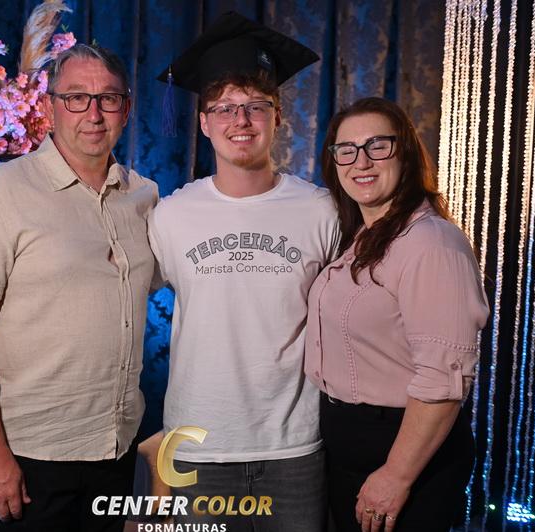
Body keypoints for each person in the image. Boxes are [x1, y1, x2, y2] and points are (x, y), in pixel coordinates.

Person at [0, 43, 158, 532]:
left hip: (115, 444)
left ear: (126, 108)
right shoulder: (3, 191)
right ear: (49, 106)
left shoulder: (143, 196)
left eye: (108, 98)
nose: (94, 114)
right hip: (32, 454)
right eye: (76, 97)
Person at [148, 12, 341, 531]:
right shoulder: (170, 216)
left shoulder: (321, 211)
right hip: (197, 446)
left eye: (256, 106)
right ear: (204, 122)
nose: (241, 120)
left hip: (294, 447)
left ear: (278, 117)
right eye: (225, 108)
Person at [305, 97, 489, 531]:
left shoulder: (431, 243)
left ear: (404, 151)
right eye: (346, 150)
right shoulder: (362, 238)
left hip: (403, 454)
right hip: (351, 447)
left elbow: (443, 379)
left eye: (377, 145)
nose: (361, 161)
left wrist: (397, 475)